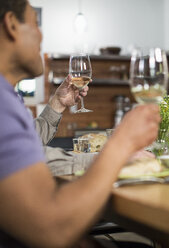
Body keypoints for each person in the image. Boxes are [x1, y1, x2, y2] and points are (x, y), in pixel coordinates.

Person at [0, 1, 160, 248]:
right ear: (11, 25)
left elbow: (26, 148)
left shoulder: (7, 96)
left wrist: (56, 104)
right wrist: (120, 148)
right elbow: (52, 228)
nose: (42, 34)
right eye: (35, 23)